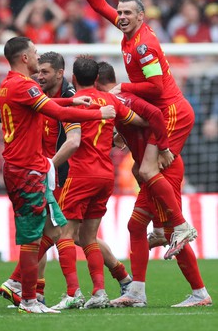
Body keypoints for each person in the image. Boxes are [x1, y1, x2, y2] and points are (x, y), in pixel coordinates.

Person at [57, 0, 197, 260]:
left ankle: (180, 225)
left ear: (141, 16)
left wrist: (124, 87)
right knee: (140, 169)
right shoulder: (127, 34)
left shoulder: (144, 45)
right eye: (119, 12)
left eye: (127, 14)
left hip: (171, 112)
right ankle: (161, 230)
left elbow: (157, 87)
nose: (120, 17)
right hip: (160, 111)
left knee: (148, 168)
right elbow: (98, 5)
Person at [0, 51, 132, 307]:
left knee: (63, 233)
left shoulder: (72, 96)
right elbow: (35, 109)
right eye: (39, 71)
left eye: (45, 72)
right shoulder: (42, 94)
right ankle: (39, 290)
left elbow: (72, 140)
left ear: (62, 74)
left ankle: (36, 288)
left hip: (63, 172)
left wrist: (50, 166)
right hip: (50, 170)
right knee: (69, 234)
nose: (40, 76)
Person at [96, 61, 212, 308]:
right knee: (135, 226)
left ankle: (200, 293)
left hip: (163, 169)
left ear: (97, 82)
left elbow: (156, 116)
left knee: (171, 234)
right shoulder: (114, 103)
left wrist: (162, 147)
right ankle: (137, 291)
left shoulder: (123, 99)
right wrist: (121, 135)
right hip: (152, 172)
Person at [48, 56, 158, 310]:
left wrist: (48, 166)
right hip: (105, 176)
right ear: (97, 79)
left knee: (63, 234)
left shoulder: (76, 105)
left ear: (73, 79)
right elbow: (140, 121)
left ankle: (73, 292)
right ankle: (99, 292)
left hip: (81, 175)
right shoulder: (110, 101)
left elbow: (52, 116)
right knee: (88, 237)